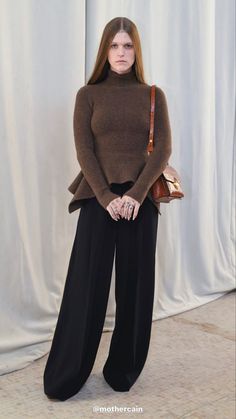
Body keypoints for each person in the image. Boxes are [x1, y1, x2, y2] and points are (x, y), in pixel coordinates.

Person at [43, 16, 172, 401]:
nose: (121, 53)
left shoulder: (153, 94)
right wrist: (106, 198)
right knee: (86, 286)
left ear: (137, 51)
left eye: (128, 46)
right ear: (105, 50)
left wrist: (134, 195)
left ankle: (123, 370)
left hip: (140, 200)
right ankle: (67, 374)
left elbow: (163, 150)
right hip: (99, 198)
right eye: (115, 46)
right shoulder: (88, 95)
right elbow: (85, 151)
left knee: (135, 288)